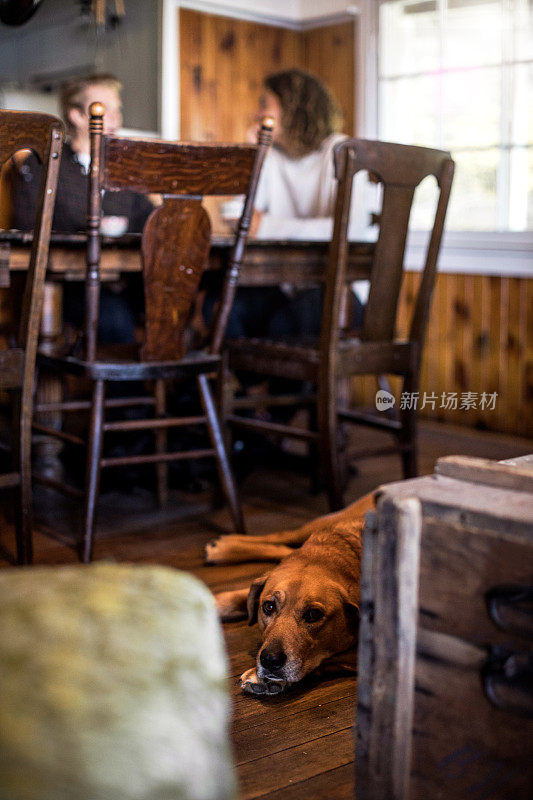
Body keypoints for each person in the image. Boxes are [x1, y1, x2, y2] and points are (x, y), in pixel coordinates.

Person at [214, 68, 370, 342]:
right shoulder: (273, 157)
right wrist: (254, 155)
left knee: (285, 323)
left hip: (341, 293)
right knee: (220, 308)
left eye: (264, 103)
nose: (255, 113)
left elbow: (354, 229)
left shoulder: (341, 150)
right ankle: (252, 386)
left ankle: (281, 385)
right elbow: (241, 216)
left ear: (293, 107)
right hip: (287, 286)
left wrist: (267, 226)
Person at [11, 73, 155, 344]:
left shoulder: (126, 167)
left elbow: (149, 219)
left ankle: (169, 383)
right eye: (103, 109)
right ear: (76, 115)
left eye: (117, 109)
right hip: (67, 285)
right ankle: (126, 386)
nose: (115, 118)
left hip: (125, 281)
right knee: (112, 316)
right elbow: (27, 224)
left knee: (172, 301)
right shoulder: (45, 163)